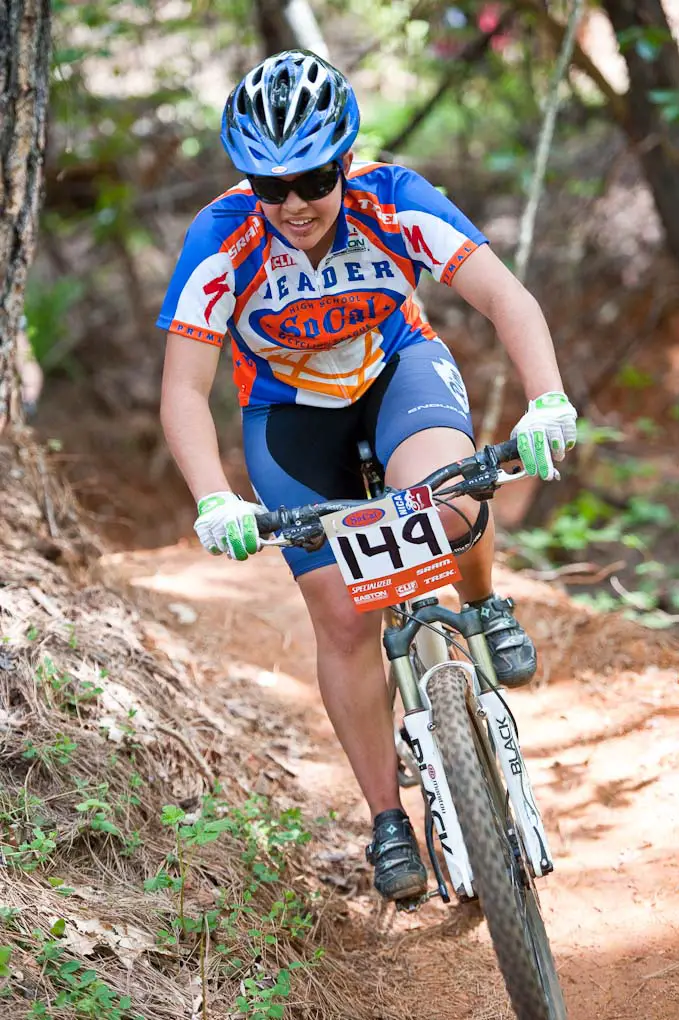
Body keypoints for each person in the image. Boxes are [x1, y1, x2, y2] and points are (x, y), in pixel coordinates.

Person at [158, 50, 577, 902]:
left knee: (453, 499)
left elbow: (506, 300)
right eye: (268, 186)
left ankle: (483, 600)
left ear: (344, 161)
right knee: (343, 615)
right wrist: (211, 497)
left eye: (311, 179)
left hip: (396, 375)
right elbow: (182, 388)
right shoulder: (220, 235)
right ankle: (387, 815)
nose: (293, 205)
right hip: (290, 417)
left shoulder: (395, 199)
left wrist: (546, 401)